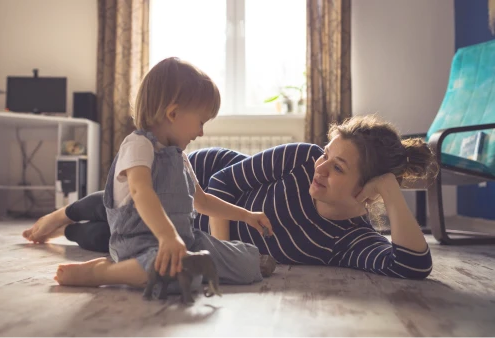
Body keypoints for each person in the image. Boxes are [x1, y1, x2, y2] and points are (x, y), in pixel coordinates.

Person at [25, 116, 437, 281]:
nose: (321, 167)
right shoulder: (301, 158)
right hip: (205, 182)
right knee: (123, 206)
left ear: (366, 192)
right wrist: (219, 254)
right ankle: (60, 214)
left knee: (99, 241)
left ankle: (72, 229)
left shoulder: (350, 240)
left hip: (196, 237)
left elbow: (414, 267)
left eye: (339, 168)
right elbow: (219, 187)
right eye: (327, 155)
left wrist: (390, 191)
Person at [25, 57, 276, 289]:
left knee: (245, 264)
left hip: (184, 241)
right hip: (141, 246)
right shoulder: (138, 145)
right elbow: (140, 190)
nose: (201, 133)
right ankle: (101, 273)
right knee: (177, 274)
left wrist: (246, 215)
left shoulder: (180, 158)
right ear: (173, 113)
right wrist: (166, 237)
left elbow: (203, 202)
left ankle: (202, 263)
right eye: (201, 122)